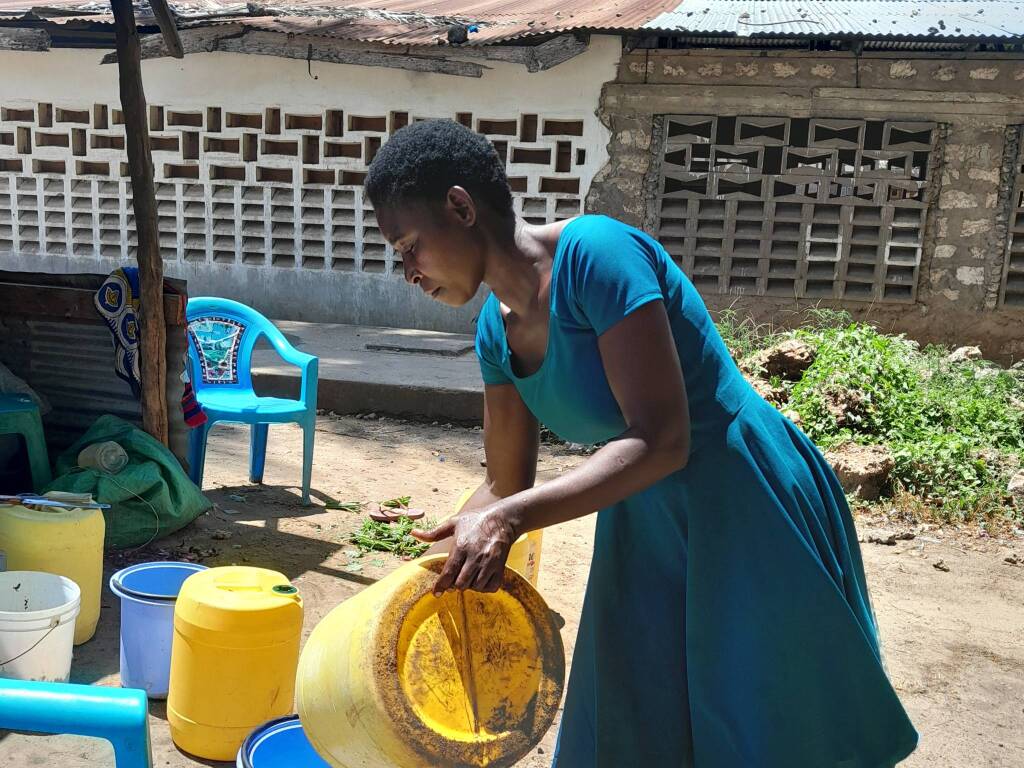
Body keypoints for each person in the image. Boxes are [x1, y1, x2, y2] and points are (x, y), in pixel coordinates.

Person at [364, 119, 918, 768]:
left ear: (461, 208)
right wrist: (453, 544)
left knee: (763, 717)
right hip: (642, 516)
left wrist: (508, 519)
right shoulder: (496, 333)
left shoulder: (597, 256)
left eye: (409, 246)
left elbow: (662, 439)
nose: (406, 270)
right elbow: (506, 484)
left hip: (741, 493)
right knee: (635, 715)